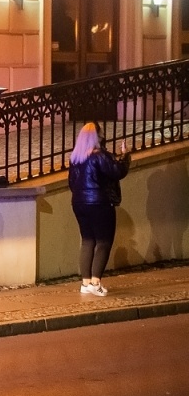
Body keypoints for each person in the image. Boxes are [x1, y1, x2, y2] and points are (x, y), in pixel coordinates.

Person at [67, 122, 130, 296]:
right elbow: (117, 172)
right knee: (103, 242)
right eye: (101, 133)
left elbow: (71, 183)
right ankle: (96, 282)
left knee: (88, 240)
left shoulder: (75, 159)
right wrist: (125, 156)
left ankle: (85, 282)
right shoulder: (100, 156)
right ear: (97, 136)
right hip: (99, 203)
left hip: (79, 203)